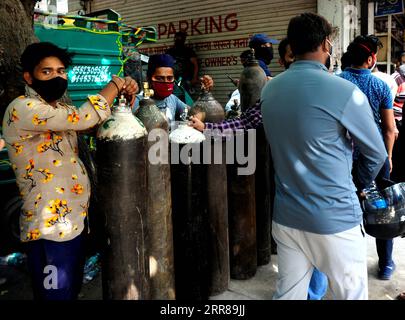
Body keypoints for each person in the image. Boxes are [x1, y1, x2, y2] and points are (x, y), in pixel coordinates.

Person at [261, 13, 387, 300]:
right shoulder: (343, 91)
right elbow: (376, 152)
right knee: (350, 294)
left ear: (292, 47)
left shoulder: (270, 90)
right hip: (334, 218)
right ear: (326, 44)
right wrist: (359, 182)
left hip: (287, 218)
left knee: (288, 294)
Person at [2, 42, 138, 300]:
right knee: (55, 295)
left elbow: (90, 125)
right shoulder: (23, 108)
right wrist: (116, 84)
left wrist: (121, 105)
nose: (57, 77)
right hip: (49, 230)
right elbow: (85, 118)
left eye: (61, 71)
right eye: (47, 72)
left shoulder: (59, 110)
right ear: (28, 77)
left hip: (72, 224)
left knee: (70, 291)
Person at [339, 35, 397, 281]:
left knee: (347, 208)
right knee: (383, 209)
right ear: (371, 58)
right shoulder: (381, 86)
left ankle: (347, 265)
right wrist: (389, 156)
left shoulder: (337, 82)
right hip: (375, 158)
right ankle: (385, 265)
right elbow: (389, 129)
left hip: (343, 157)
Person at [136, 53, 213, 129]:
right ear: (148, 78)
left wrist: (205, 93)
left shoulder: (172, 99)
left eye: (169, 78)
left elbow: (199, 114)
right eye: (160, 78)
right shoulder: (138, 102)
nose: (166, 82)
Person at [166, 31, 199, 102]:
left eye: (180, 38)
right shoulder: (170, 51)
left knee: (186, 98)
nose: (178, 39)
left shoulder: (188, 51)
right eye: (177, 38)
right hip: (173, 80)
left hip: (185, 79)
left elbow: (195, 64)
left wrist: (194, 78)